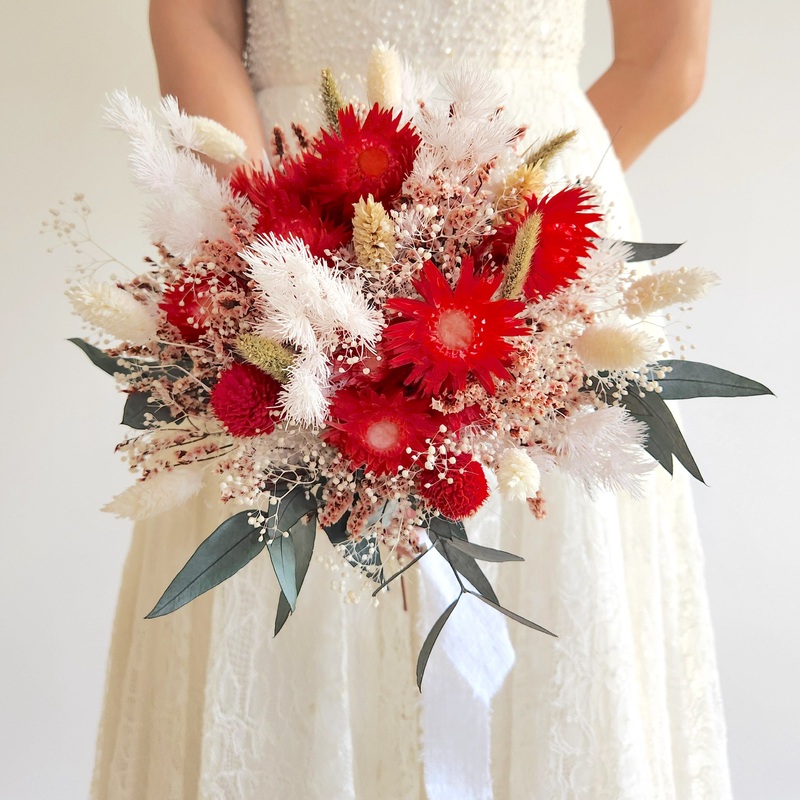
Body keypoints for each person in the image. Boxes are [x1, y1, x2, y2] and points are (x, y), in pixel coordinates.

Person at [92, 1, 730, 798]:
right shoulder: (274, 241)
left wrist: (516, 239)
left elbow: (669, 60)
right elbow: (196, 22)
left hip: (531, 238)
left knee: (556, 591)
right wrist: (270, 251)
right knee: (287, 583)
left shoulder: (524, 240)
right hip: (288, 215)